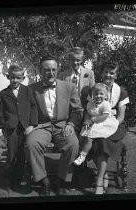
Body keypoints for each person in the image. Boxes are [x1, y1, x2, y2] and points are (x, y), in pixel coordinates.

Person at [27, 55, 83, 196]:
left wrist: (71, 124)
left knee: (73, 144)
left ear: (57, 70)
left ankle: (61, 179)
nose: (50, 73)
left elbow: (77, 110)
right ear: (40, 71)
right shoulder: (31, 89)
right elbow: (25, 111)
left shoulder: (69, 87)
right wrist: (29, 125)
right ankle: (43, 180)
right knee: (31, 144)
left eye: (53, 69)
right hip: (41, 126)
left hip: (62, 125)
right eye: (46, 70)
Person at [88, 62, 129, 195]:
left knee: (103, 141)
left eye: (112, 73)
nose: (108, 75)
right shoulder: (95, 89)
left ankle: (99, 181)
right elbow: (90, 109)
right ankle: (104, 173)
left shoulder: (121, 91)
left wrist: (111, 126)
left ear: (116, 75)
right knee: (91, 140)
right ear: (102, 73)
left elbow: (121, 115)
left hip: (115, 123)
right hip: (97, 120)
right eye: (106, 72)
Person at [0, 64, 38, 190]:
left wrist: (32, 124)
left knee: (24, 152)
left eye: (18, 78)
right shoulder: (4, 93)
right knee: (12, 153)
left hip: (26, 127)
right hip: (12, 128)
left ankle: (24, 176)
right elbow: (0, 112)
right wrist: (4, 127)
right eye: (12, 78)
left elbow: (33, 107)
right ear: (8, 77)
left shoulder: (27, 90)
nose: (15, 80)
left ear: (22, 78)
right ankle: (13, 178)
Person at [73, 83, 119, 166]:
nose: (98, 96)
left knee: (89, 139)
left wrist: (93, 120)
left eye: (101, 94)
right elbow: (88, 113)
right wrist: (87, 120)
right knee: (81, 136)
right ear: (93, 95)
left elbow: (104, 116)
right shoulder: (91, 104)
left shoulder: (105, 104)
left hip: (101, 123)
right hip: (91, 122)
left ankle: (83, 155)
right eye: (96, 94)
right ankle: (79, 152)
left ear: (105, 96)